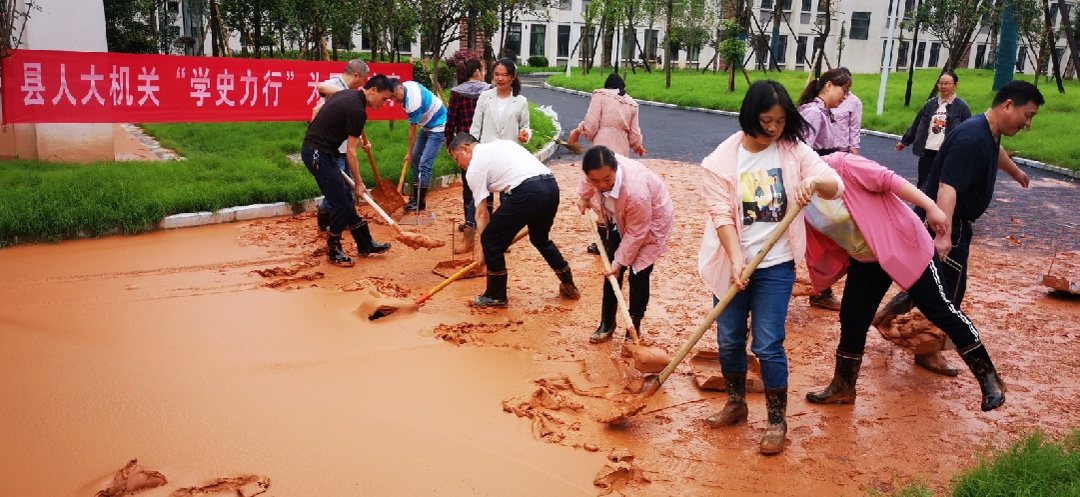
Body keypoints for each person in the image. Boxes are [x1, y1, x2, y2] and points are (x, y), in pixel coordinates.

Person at [698, 80, 843, 455]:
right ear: (749, 116)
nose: (774, 129)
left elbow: (836, 185)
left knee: (768, 343)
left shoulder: (793, 152)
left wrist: (813, 181)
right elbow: (721, 216)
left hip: (776, 265)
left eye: (780, 121)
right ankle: (736, 404)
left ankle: (777, 421)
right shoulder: (719, 162)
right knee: (729, 338)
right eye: (766, 121)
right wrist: (735, 260)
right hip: (733, 262)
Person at [802, 152, 1006, 412]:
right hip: (866, 258)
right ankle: (843, 386)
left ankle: (990, 380)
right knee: (853, 317)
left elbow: (889, 179)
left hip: (903, 244)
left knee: (940, 309)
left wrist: (932, 207)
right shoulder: (794, 195)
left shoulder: (841, 165)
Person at [872, 81, 1040, 376]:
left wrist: (1014, 171)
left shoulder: (987, 130)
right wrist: (943, 234)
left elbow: (996, 150)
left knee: (933, 282)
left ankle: (894, 312)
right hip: (951, 222)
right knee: (948, 294)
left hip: (951, 221)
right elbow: (947, 189)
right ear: (1008, 105)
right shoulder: (972, 138)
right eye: (1027, 115)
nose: (1027, 123)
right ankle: (928, 352)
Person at [448, 132, 580, 307]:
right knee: (540, 238)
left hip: (527, 191)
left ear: (465, 149)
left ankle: (495, 296)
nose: (460, 165)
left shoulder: (475, 167)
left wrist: (485, 249)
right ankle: (569, 284)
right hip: (550, 186)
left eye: (457, 159)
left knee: (490, 239)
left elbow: (481, 213)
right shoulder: (501, 144)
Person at [576, 145, 673, 343]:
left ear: (615, 170)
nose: (601, 185)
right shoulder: (595, 173)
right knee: (611, 272)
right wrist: (584, 197)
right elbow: (588, 182)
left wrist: (620, 262)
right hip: (619, 216)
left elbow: (637, 233)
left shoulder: (635, 191)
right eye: (595, 181)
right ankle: (607, 323)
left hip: (651, 220)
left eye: (607, 179)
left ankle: (633, 325)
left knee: (638, 272)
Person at [301, 75, 395, 267]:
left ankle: (365, 243)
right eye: (384, 99)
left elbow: (320, 105)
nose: (385, 103)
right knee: (342, 204)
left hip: (324, 152)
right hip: (318, 154)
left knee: (344, 198)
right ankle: (334, 249)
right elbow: (351, 152)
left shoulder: (348, 95)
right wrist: (359, 183)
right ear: (373, 91)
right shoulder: (357, 110)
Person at [796, 68, 852, 311]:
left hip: (820, 182)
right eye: (844, 90)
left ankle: (822, 289)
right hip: (815, 186)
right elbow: (802, 150)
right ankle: (820, 290)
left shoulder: (821, 112)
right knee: (829, 237)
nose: (845, 96)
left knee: (825, 237)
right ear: (829, 86)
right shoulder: (814, 113)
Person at [312, 59, 369, 235]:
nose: (363, 84)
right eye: (363, 80)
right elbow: (321, 87)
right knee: (339, 191)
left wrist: (361, 139)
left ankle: (336, 222)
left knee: (344, 190)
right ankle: (328, 224)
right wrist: (347, 95)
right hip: (332, 149)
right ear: (357, 75)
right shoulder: (335, 84)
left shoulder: (353, 93)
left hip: (345, 148)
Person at [444, 58, 492, 255]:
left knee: (469, 186)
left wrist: (450, 144)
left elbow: (450, 123)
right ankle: (488, 227)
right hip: (486, 144)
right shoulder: (490, 91)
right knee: (488, 187)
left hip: (464, 147)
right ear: (479, 72)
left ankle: (468, 223)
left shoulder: (457, 93)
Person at [895, 69, 971, 190]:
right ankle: (921, 208)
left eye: (947, 83)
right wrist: (904, 141)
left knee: (944, 185)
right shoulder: (930, 104)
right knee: (923, 184)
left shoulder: (961, 107)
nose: (943, 86)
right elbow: (917, 123)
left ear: (955, 85)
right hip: (928, 150)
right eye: (941, 83)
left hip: (948, 152)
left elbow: (969, 131)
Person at [390, 78, 448, 212]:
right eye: (391, 97)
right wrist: (412, 155)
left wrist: (409, 153)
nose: (394, 99)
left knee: (424, 163)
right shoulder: (408, 85)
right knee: (416, 159)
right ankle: (416, 197)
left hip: (439, 125)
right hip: (427, 125)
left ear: (400, 88)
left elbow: (411, 136)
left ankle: (420, 202)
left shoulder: (413, 104)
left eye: (395, 95)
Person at [568, 73, 646, 157]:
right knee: (619, 168)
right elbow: (634, 132)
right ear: (624, 87)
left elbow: (591, 123)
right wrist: (637, 145)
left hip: (602, 143)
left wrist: (577, 131)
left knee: (600, 167)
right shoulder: (632, 104)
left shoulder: (600, 95)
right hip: (622, 145)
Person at [470, 58, 531, 145]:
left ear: (513, 77)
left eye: (505, 75)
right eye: (496, 74)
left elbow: (525, 126)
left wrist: (525, 134)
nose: (500, 78)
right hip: (487, 150)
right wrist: (473, 147)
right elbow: (476, 126)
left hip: (510, 151)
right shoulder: (485, 97)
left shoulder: (521, 101)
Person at [832, 67, 862, 155]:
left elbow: (855, 126)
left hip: (842, 148)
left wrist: (854, 146)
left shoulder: (854, 102)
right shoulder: (825, 98)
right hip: (822, 146)